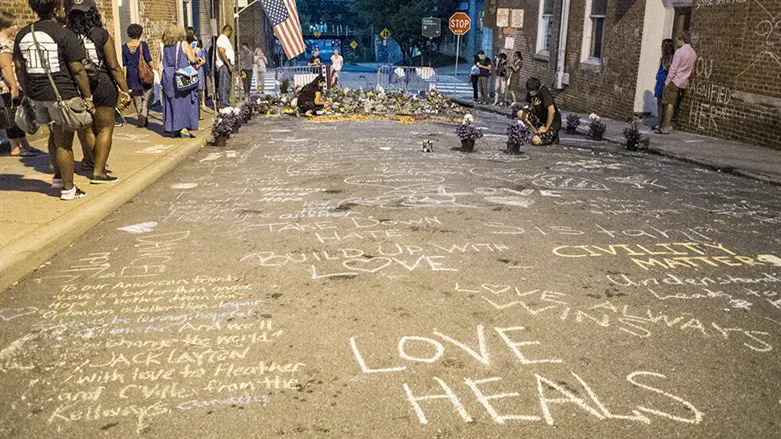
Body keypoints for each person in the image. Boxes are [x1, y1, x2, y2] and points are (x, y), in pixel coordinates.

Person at [14, 0, 94, 200]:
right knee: (64, 143)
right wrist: (87, 96)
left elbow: (19, 67)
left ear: (33, 9)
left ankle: (58, 176)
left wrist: (27, 91)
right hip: (61, 93)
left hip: (37, 94)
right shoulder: (63, 33)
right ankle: (68, 188)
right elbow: (77, 69)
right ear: (56, 8)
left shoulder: (23, 34)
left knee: (53, 134)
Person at [66, 0, 131, 184]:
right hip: (102, 84)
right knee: (105, 128)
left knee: (86, 128)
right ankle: (99, 171)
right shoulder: (101, 34)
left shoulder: (67, 35)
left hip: (77, 86)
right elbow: (114, 66)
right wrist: (125, 91)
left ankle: (90, 160)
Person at [0, 11, 38, 157]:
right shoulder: (3, 44)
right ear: (5, 27)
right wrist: (14, 86)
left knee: (19, 114)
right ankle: (15, 147)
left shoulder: (8, 42)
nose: (16, 27)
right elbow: (6, 67)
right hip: (8, 86)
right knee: (11, 116)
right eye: (13, 25)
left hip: (14, 83)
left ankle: (25, 144)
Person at [160, 24, 200, 138]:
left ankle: (172, 127)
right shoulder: (183, 44)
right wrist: (198, 60)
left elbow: (161, 62)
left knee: (171, 102)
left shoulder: (164, 46)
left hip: (168, 77)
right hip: (181, 77)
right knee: (183, 102)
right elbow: (192, 58)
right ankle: (183, 128)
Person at [659, 32, 696, 134]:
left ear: (681, 40)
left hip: (674, 80)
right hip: (684, 81)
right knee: (675, 104)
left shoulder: (679, 52)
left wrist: (667, 81)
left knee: (669, 104)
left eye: (677, 40)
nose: (676, 43)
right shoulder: (693, 53)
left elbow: (673, 68)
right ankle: (670, 123)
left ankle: (666, 126)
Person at [122, 24, 153, 127]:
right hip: (143, 73)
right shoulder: (143, 45)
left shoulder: (124, 47)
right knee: (147, 93)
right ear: (140, 33)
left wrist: (124, 79)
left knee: (136, 96)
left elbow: (124, 65)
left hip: (131, 75)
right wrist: (154, 70)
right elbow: (148, 59)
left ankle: (141, 117)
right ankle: (144, 113)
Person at [522, 77, 561, 145]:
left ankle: (553, 137)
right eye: (529, 91)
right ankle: (538, 133)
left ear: (537, 88)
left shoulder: (544, 91)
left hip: (552, 122)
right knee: (520, 114)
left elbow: (551, 111)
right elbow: (526, 105)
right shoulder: (530, 92)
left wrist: (546, 128)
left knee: (535, 141)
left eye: (532, 91)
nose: (531, 93)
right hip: (540, 121)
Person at [653, 39, 674, 130]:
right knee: (659, 102)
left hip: (665, 82)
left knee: (663, 103)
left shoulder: (672, 59)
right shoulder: (663, 59)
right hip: (660, 81)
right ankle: (659, 121)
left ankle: (662, 122)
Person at [215, 25, 234, 109]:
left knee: (227, 85)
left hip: (226, 65)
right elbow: (221, 52)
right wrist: (228, 64)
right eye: (231, 33)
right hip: (224, 65)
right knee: (223, 85)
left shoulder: (225, 39)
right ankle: (223, 105)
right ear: (229, 31)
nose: (231, 35)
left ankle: (226, 103)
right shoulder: (222, 39)